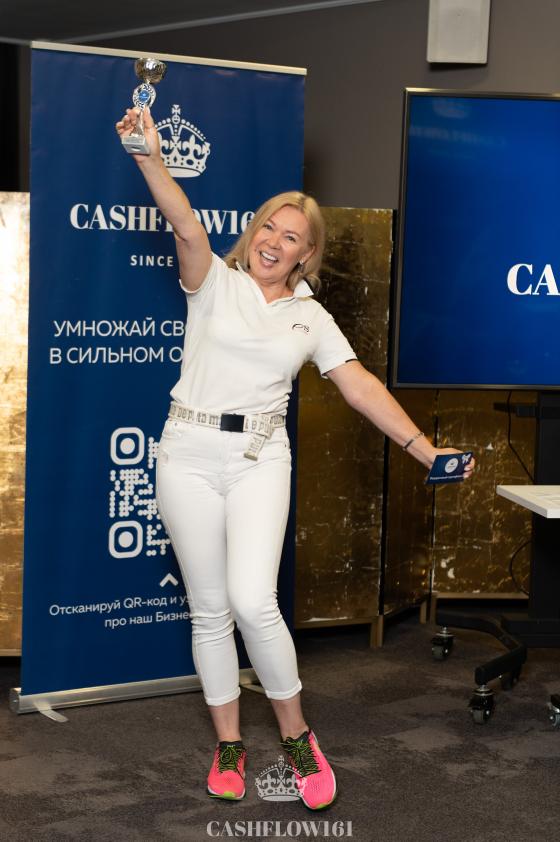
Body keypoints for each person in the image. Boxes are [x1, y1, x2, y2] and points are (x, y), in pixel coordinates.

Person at [115, 105, 475, 811]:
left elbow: (360, 386)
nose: (274, 242)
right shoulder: (212, 283)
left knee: (253, 600)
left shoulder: (311, 316)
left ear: (306, 255)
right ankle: (228, 745)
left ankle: (297, 734)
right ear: (254, 233)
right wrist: (149, 158)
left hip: (259, 456)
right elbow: (186, 224)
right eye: (269, 228)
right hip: (187, 452)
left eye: (292, 237)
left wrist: (424, 448)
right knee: (210, 609)